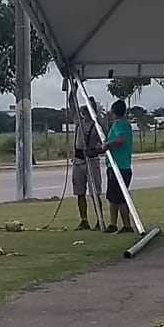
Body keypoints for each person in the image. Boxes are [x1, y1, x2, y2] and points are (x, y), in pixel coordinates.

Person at [68, 95, 103, 230]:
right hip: (78, 160)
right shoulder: (79, 121)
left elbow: (104, 143)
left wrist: (95, 151)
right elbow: (71, 102)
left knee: (95, 193)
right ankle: (84, 220)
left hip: (91, 160)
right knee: (79, 192)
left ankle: (100, 220)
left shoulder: (97, 124)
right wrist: (74, 87)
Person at [102, 99, 134, 233]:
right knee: (112, 197)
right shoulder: (126, 125)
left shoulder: (118, 125)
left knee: (120, 198)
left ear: (113, 112)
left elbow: (120, 140)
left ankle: (127, 225)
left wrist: (107, 145)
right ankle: (113, 224)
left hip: (118, 167)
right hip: (119, 166)